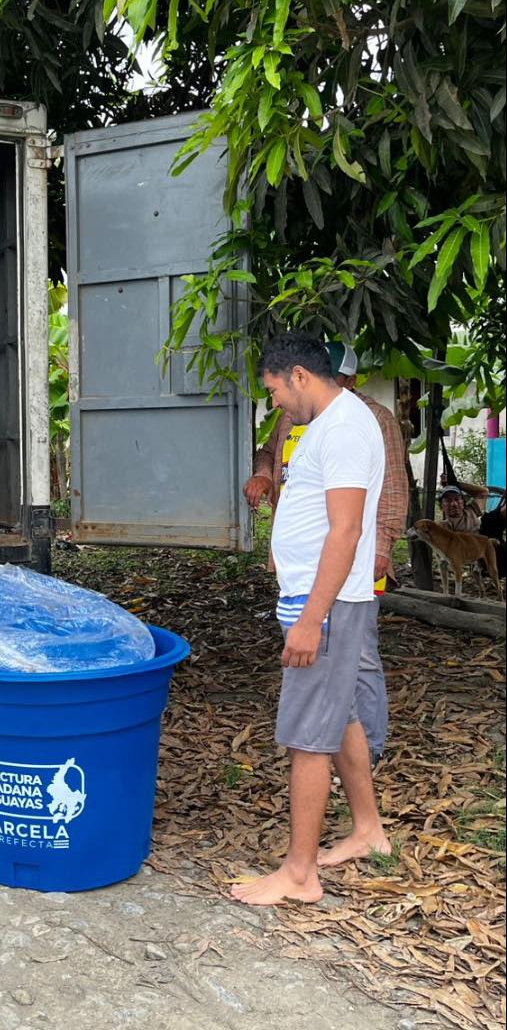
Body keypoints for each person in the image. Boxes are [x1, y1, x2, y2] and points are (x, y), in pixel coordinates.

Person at [231, 332, 391, 906]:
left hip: (323, 606)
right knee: (339, 714)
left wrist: (310, 619)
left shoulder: (344, 428)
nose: (274, 401)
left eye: (275, 389)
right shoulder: (327, 424)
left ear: (299, 375)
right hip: (315, 600)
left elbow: (346, 531)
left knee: (308, 737)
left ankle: (300, 873)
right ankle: (368, 829)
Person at [243, 341, 408, 763]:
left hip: (346, 568)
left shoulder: (365, 420)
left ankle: (372, 745)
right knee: (338, 687)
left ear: (348, 380)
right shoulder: (300, 415)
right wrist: (263, 475)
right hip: (311, 571)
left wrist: (382, 545)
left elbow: (390, 488)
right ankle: (358, 768)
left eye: (338, 378)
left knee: (360, 658)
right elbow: (270, 454)